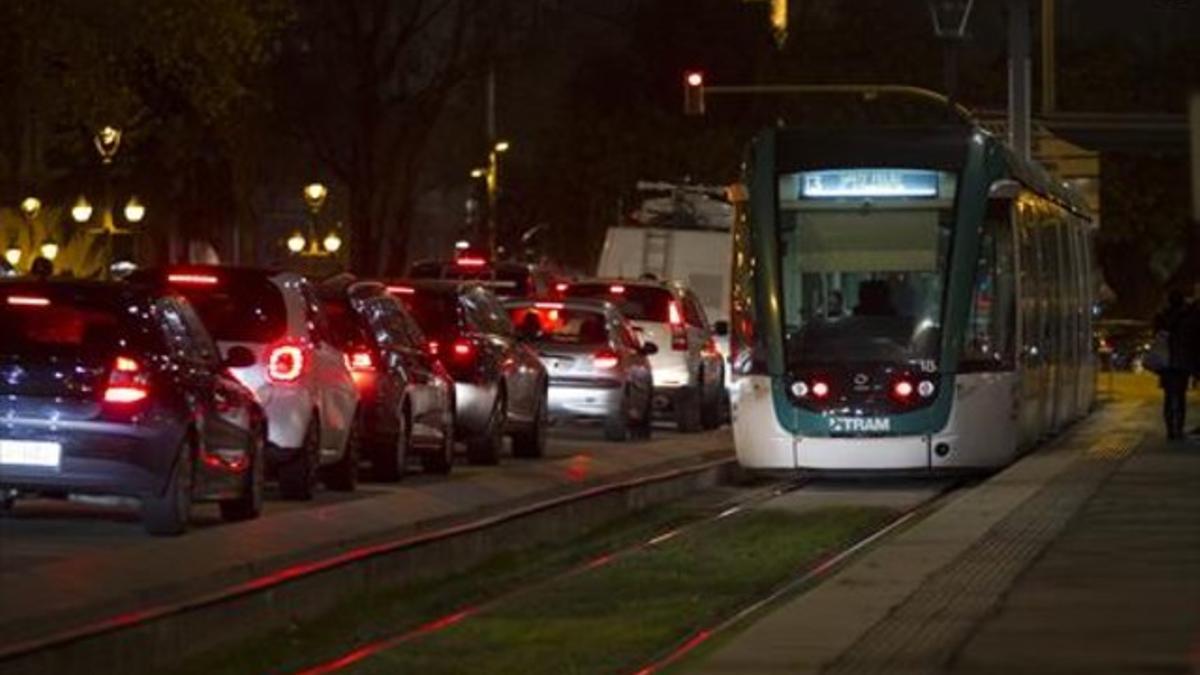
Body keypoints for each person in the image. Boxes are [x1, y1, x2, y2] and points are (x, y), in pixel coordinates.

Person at [1153, 289, 1196, 440]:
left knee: (1168, 396)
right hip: (1183, 362)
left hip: (1165, 362)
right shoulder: (1189, 318)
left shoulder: (1162, 316)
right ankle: (1179, 427)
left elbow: (1156, 334)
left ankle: (1170, 428)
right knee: (1181, 395)